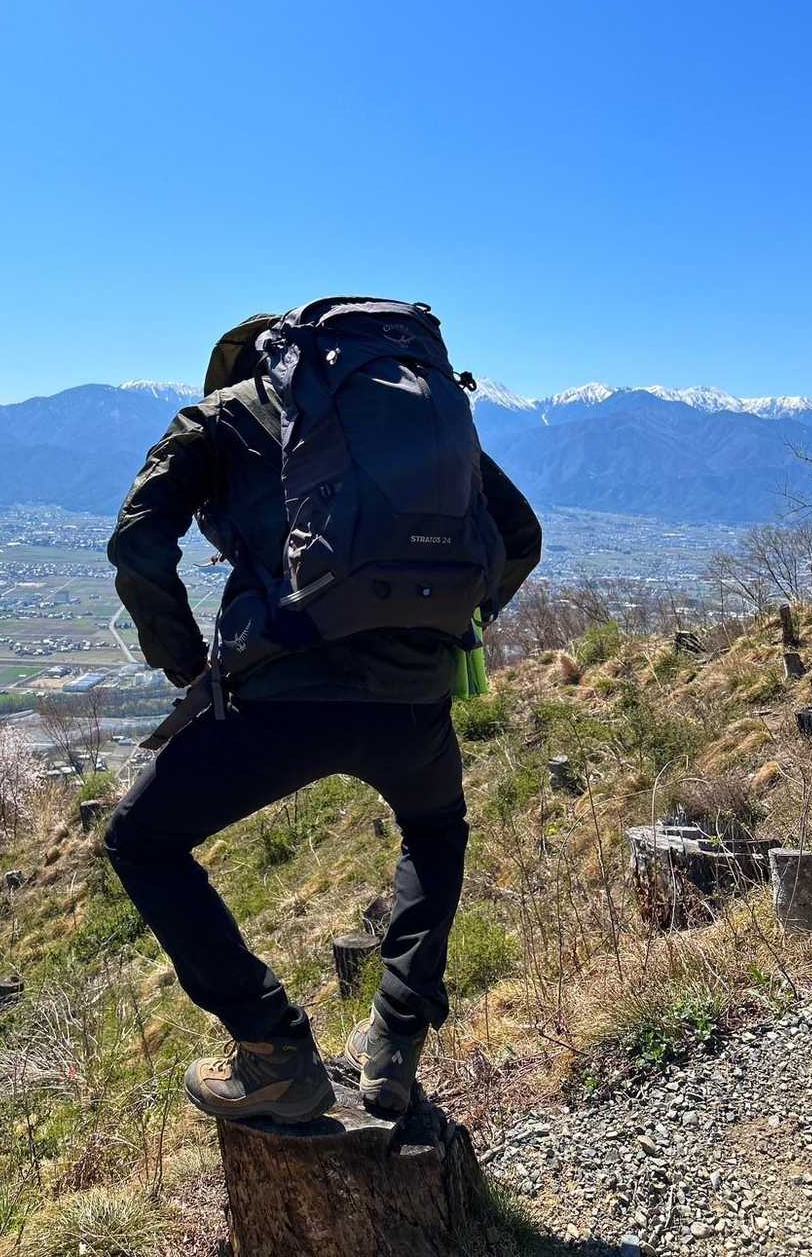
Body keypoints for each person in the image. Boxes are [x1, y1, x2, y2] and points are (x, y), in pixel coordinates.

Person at [104, 313, 541, 1123]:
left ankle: (271, 1048)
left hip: (279, 692)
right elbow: (520, 535)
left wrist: (185, 662)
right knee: (434, 830)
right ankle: (396, 1042)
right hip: (413, 700)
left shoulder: (218, 417)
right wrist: (449, 625)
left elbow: (138, 541)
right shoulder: (405, 415)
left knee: (141, 841)